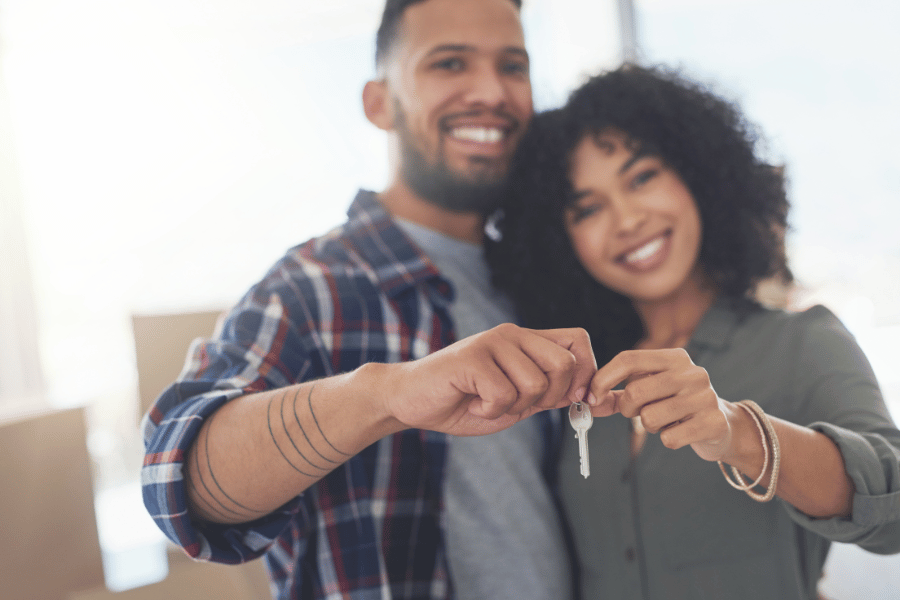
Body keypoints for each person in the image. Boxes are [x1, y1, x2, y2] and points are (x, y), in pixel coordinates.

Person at [141, 0, 591, 598]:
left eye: (513, 66)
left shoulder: (537, 280)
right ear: (378, 104)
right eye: (449, 63)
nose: (491, 91)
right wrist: (386, 394)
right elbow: (181, 482)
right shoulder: (311, 287)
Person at [489, 63, 900, 599]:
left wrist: (736, 433)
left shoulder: (801, 343)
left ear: (698, 176)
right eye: (588, 209)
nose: (627, 219)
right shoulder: (578, 381)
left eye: (642, 177)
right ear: (560, 240)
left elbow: (892, 507)